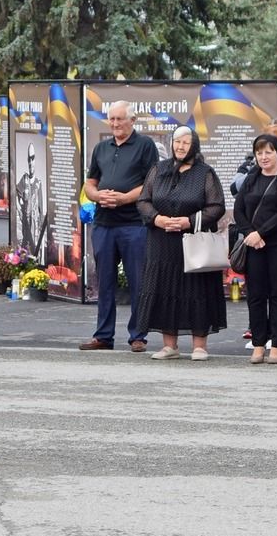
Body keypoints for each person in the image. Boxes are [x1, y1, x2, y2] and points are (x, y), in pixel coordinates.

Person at [137, 126, 227, 362]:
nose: (180, 146)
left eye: (186, 143)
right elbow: (144, 200)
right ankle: (170, 345)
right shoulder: (159, 169)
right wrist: (158, 219)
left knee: (196, 290)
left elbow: (216, 206)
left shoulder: (204, 173)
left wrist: (188, 221)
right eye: (177, 142)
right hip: (162, 241)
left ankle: (199, 346)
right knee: (166, 289)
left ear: (194, 146)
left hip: (193, 242)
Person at [80, 103, 158, 353]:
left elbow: (150, 182)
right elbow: (90, 182)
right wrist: (96, 195)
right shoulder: (101, 148)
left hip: (133, 224)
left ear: (132, 120)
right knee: (104, 282)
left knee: (138, 281)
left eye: (120, 119)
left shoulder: (145, 145)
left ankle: (138, 336)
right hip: (104, 223)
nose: (115, 124)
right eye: (111, 119)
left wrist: (124, 198)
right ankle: (103, 335)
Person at [235, 132, 277, 364]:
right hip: (254, 244)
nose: (264, 157)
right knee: (255, 295)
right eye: (259, 152)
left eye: (268, 152)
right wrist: (249, 233)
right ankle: (258, 343)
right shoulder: (251, 179)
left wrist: (260, 233)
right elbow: (239, 209)